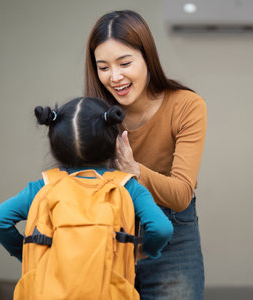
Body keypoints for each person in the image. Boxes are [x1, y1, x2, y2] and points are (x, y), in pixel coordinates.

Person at [84, 10, 207, 300]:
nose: (115, 77)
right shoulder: (92, 114)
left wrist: (134, 170)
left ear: (147, 58)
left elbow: (180, 195)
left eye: (125, 63)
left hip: (173, 236)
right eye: (103, 67)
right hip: (107, 232)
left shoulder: (187, 106)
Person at [0, 97, 173, 273]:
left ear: (55, 146)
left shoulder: (44, 187)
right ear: (114, 143)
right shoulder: (128, 187)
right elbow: (161, 229)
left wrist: (28, 255)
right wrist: (140, 252)